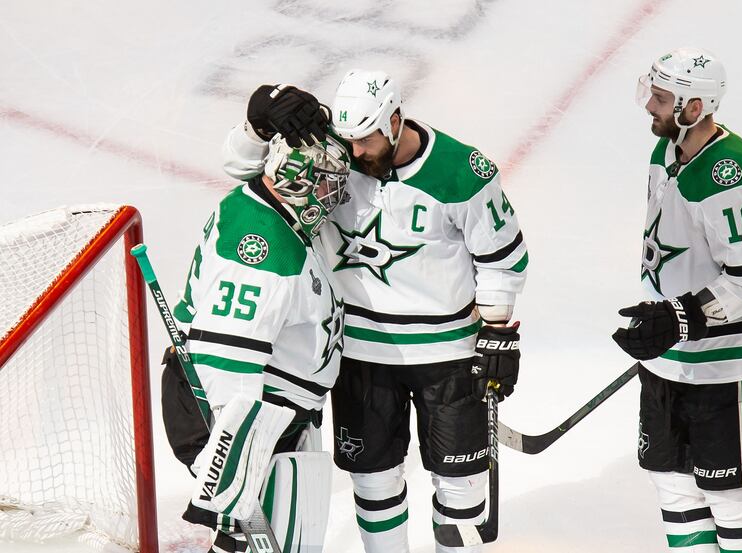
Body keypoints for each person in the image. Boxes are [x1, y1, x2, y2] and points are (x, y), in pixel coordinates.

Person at [223, 70, 529, 553]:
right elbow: (247, 177)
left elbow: (503, 256)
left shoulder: (460, 171)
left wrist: (498, 329)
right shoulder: (334, 153)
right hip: (360, 356)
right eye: (348, 139)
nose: (354, 153)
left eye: (365, 138)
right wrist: (256, 128)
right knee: (373, 481)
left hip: (447, 355)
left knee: (462, 486)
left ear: (394, 121)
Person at [612, 47, 742, 553]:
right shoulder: (665, 151)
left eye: (661, 97)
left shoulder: (729, 174)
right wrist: (664, 317)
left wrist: (681, 315)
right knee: (672, 482)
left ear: (694, 107)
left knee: (731, 495)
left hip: (726, 360)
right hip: (671, 351)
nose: (649, 106)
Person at [163, 135, 350, 553]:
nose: (332, 196)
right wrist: (231, 462)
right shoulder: (269, 253)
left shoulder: (258, 203)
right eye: (324, 184)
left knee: (284, 539)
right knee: (247, 538)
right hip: (245, 417)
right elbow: (227, 360)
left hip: (275, 417)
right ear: (295, 180)